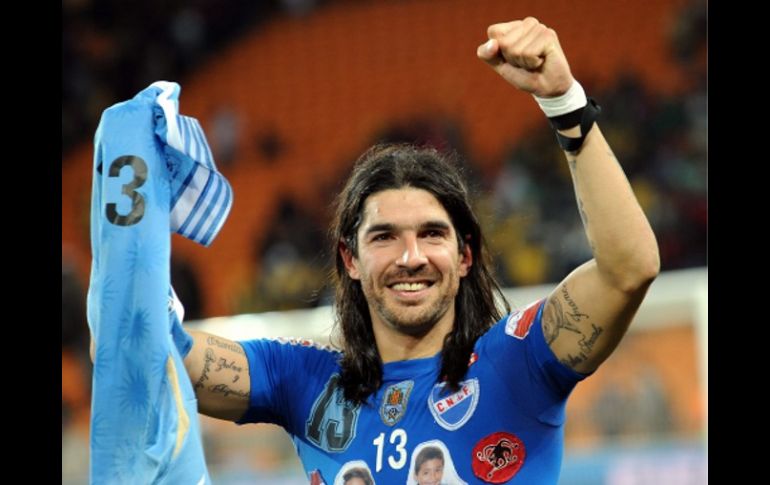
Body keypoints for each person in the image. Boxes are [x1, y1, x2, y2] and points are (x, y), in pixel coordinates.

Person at [148, 17, 659, 483]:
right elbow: (159, 356)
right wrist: (131, 251)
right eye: (384, 236)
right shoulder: (302, 381)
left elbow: (628, 269)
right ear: (350, 259)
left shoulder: (519, 362)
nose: (410, 256)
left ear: (465, 256)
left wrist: (564, 102)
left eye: (433, 234)